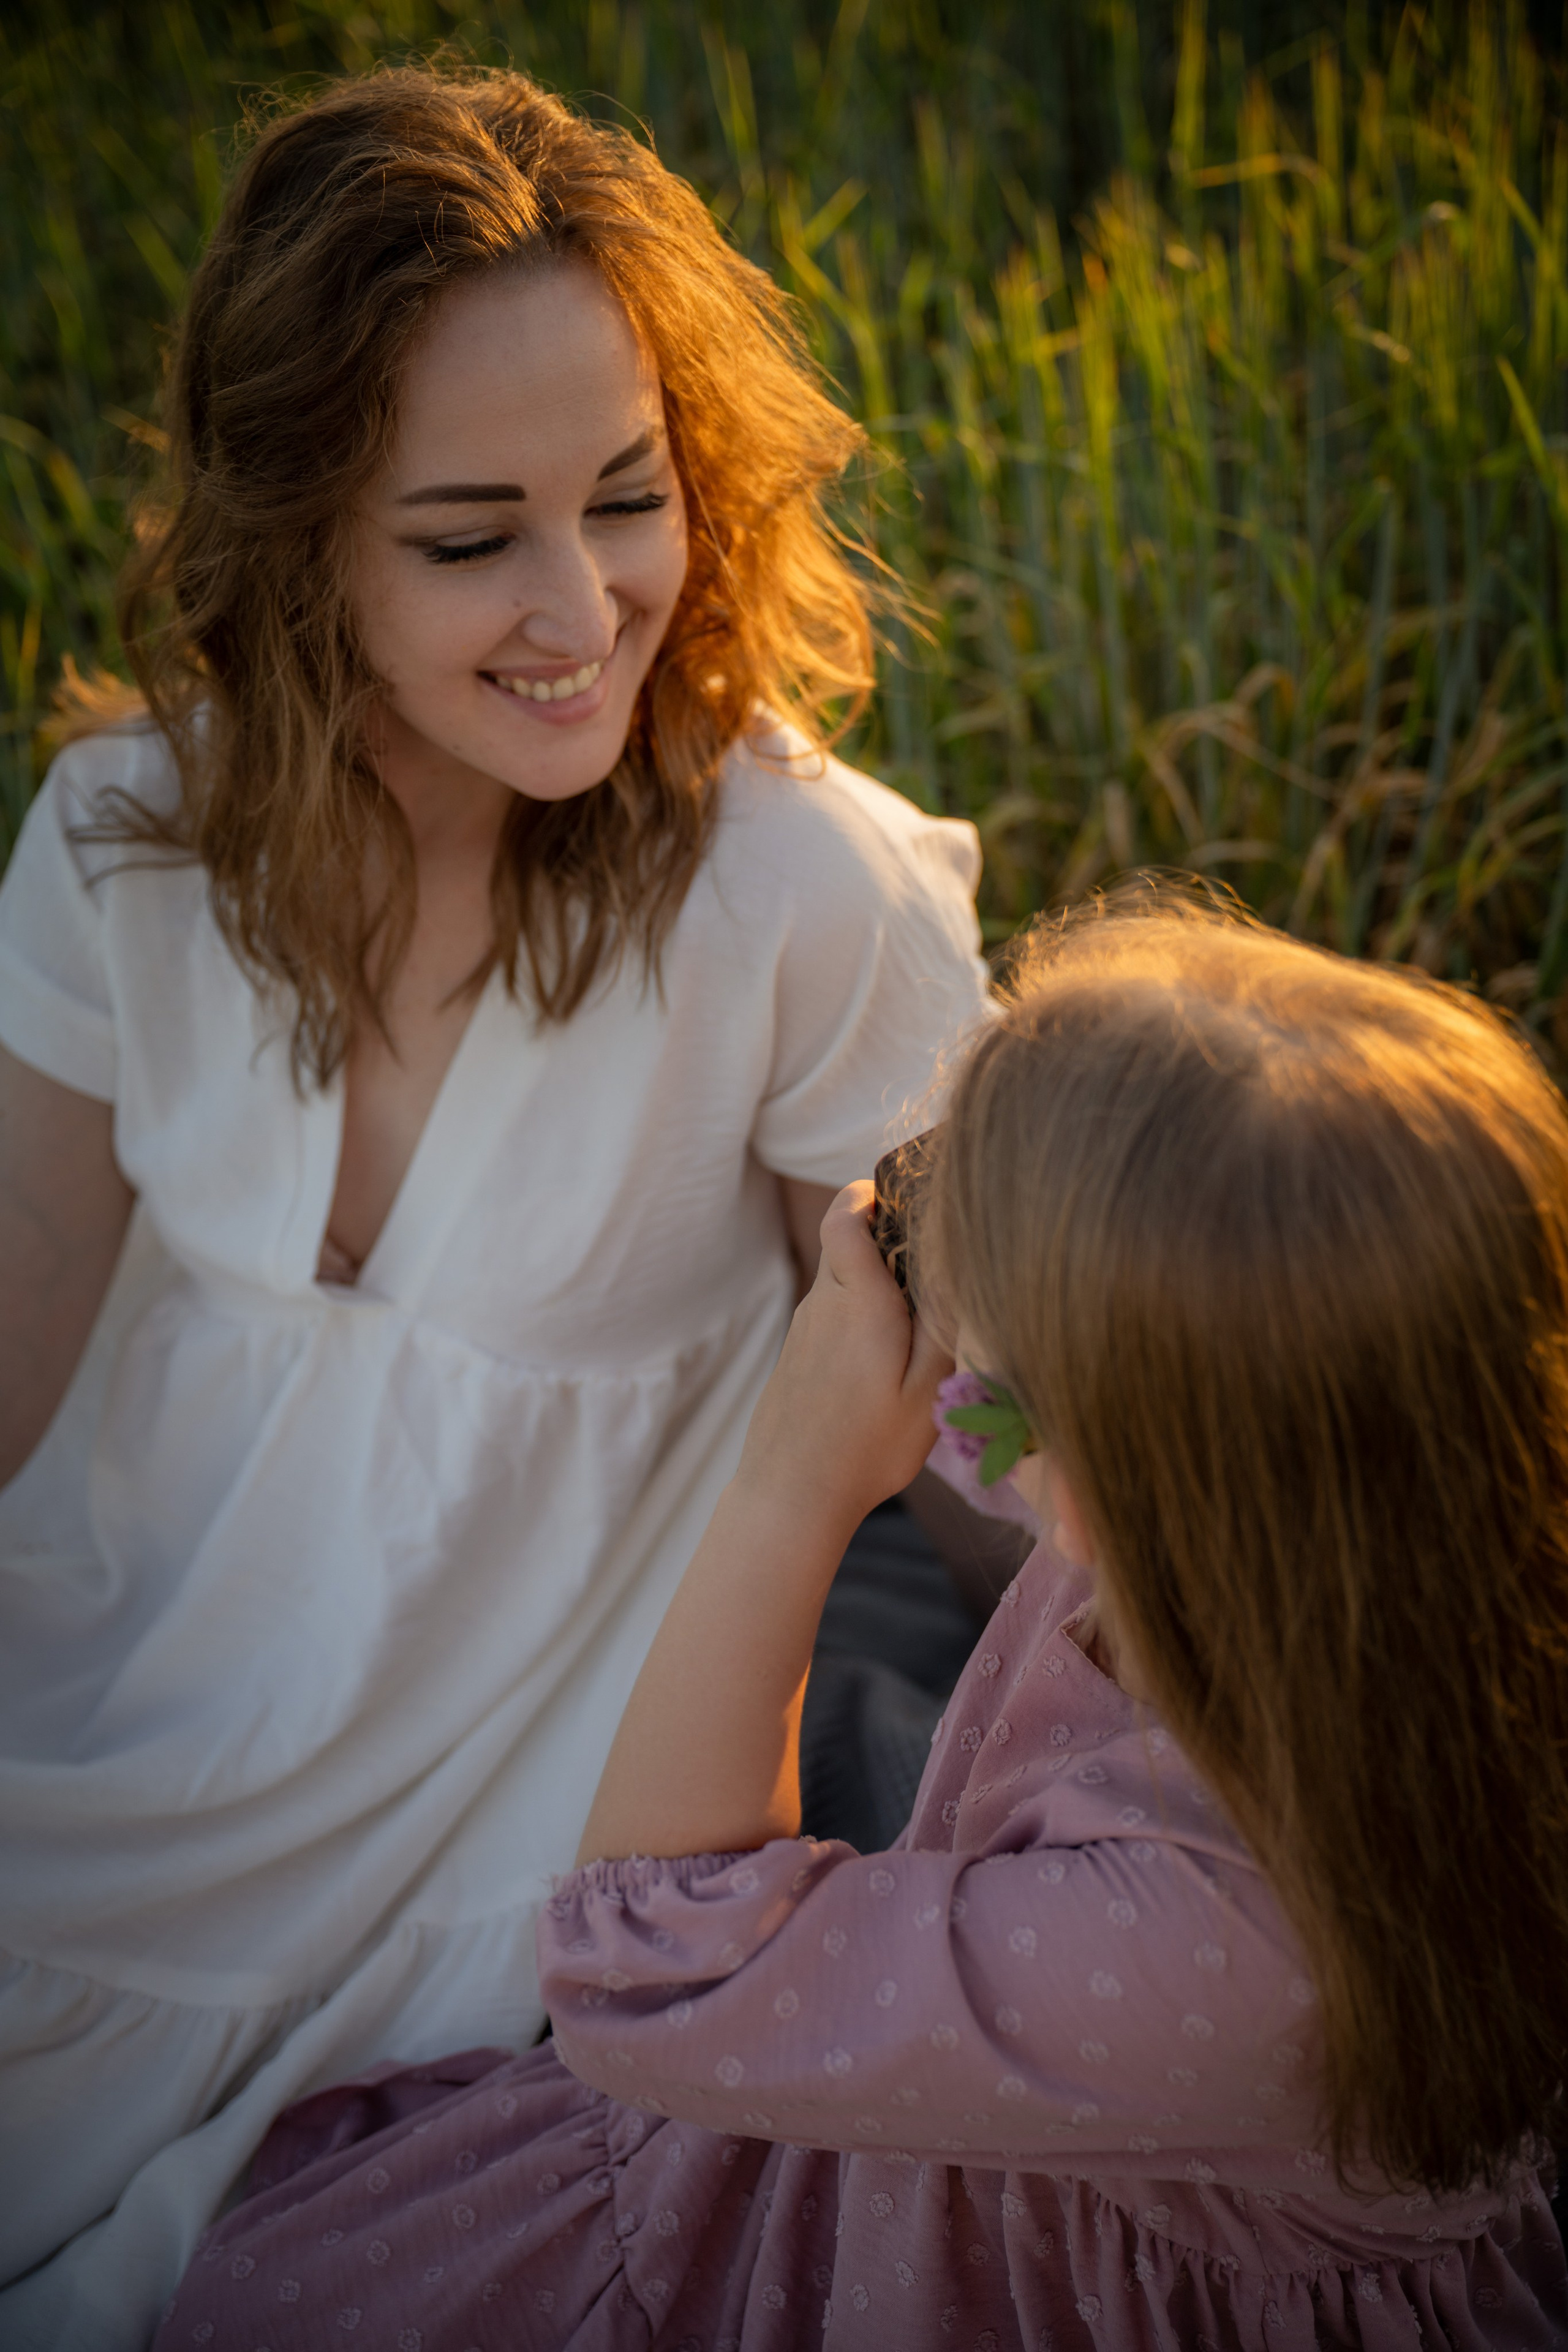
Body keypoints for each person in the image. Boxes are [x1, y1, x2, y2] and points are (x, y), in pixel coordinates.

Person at [0, 65, 993, 2352]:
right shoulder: (126, 846)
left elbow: (992, 1438)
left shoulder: (794, 890)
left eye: (628, 496)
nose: (586, 605)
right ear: (298, 544)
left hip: (501, 1820)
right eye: (471, 540)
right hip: (111, 1736)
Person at [157, 892, 1568, 2350]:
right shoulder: (1353, 1546)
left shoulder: (1216, 1949)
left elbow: (650, 1975)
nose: (902, 1228)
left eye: (983, 1380)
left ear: (1102, 1483)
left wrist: (791, 1484)